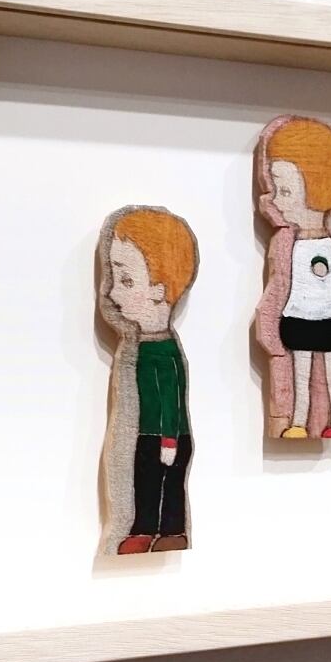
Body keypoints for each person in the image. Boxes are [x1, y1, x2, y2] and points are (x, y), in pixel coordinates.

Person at [100, 207, 199, 553]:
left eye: (126, 281)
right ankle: (142, 529)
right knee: (144, 480)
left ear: (158, 290)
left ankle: (172, 529)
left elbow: (173, 397)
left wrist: (169, 439)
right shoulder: (140, 346)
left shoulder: (165, 351)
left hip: (170, 436)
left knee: (169, 484)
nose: (113, 293)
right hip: (146, 433)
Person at [256, 116, 331, 439]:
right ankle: (298, 421)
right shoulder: (290, 243)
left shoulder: (324, 245)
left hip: (329, 320)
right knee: (300, 374)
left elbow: (321, 273)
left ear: (316, 191)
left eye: (284, 190)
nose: (275, 200)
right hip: (299, 319)